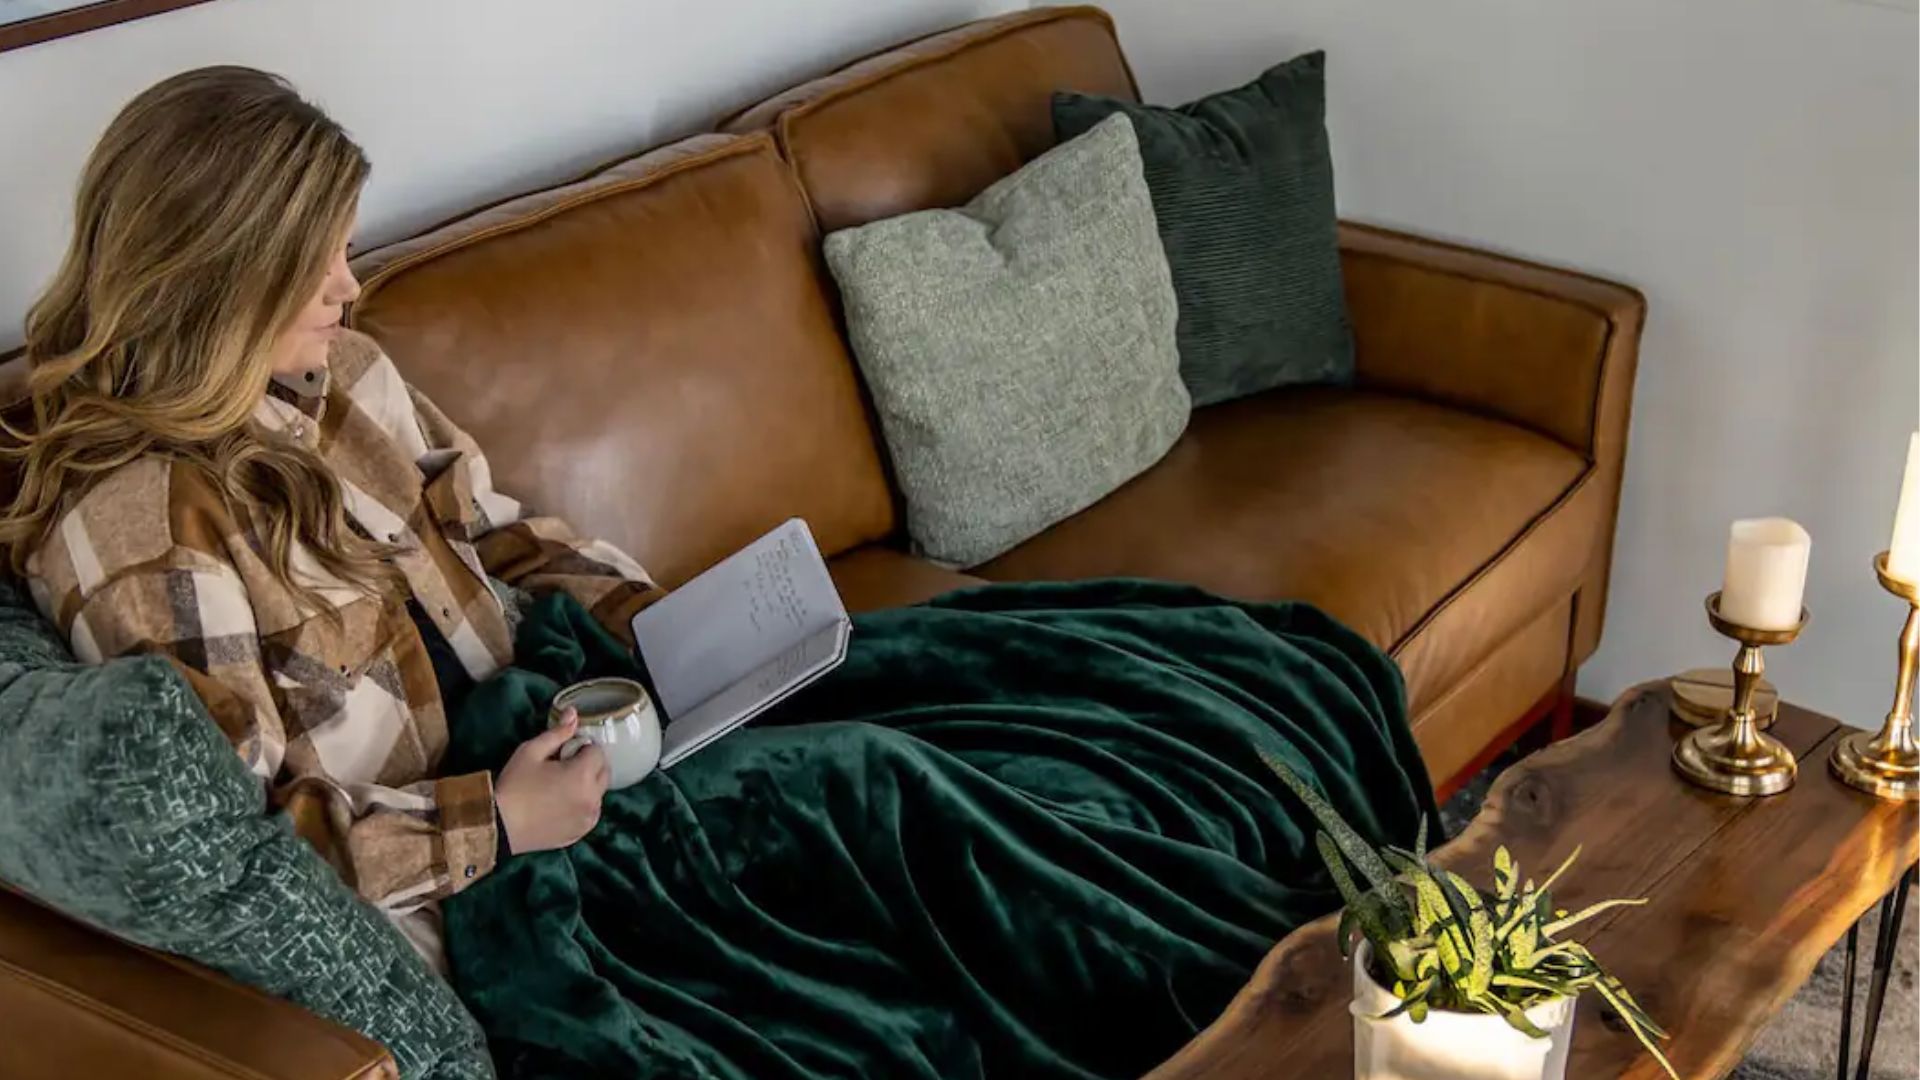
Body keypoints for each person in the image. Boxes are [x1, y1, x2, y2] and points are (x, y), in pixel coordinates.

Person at [0, 66, 638, 964]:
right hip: (483, 876)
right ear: (216, 275)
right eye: (318, 263)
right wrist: (496, 820)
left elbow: (496, 533)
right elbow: (245, 848)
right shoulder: (146, 527)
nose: (352, 287)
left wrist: (656, 624)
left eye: (347, 248)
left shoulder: (345, 373)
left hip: (560, 739)